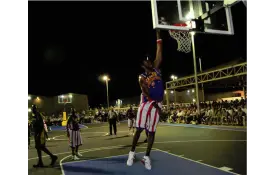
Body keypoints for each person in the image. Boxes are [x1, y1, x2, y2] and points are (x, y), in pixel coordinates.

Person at [127, 30, 163, 170]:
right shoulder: (141, 76)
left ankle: (146, 157)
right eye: (146, 60)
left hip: (157, 103)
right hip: (147, 103)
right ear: (143, 64)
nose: (149, 61)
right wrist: (156, 105)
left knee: (152, 131)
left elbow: (159, 52)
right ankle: (132, 153)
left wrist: (158, 36)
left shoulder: (157, 70)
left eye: (150, 59)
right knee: (139, 129)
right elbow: (145, 92)